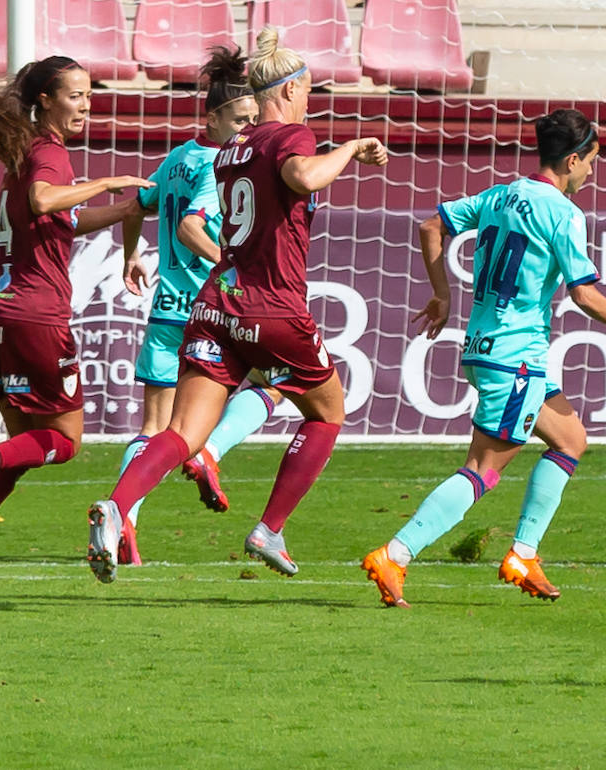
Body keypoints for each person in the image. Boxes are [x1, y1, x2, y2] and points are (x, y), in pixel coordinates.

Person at [84, 26, 389, 583]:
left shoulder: (230, 150)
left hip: (216, 302)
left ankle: (117, 506)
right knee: (327, 412)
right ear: (291, 90)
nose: (310, 99)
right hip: (272, 304)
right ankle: (269, 527)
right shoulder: (290, 137)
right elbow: (302, 174)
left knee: (182, 432)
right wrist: (347, 146)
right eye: (309, 89)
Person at [361, 109, 606, 608]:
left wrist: (443, 295)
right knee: (482, 469)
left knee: (570, 440)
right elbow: (584, 295)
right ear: (571, 159)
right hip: (513, 358)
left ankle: (523, 554)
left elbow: (431, 227)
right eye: (591, 161)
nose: (592, 171)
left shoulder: (501, 193)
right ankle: (395, 553)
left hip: (492, 350)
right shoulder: (563, 213)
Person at [0, 56, 153, 562]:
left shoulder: (24, 150)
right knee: (64, 440)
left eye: (87, 94)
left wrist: (120, 212)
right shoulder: (49, 153)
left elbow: (55, 219)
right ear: (46, 101)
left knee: (26, 443)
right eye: (75, 95)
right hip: (34, 314)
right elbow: (42, 201)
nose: (85, 104)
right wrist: (105, 183)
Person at [115, 46, 284, 565]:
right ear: (211, 117)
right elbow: (191, 226)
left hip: (166, 307)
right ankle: (212, 452)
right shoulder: (218, 163)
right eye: (239, 120)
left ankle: (123, 519)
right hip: (209, 312)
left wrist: (131, 255)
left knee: (153, 427)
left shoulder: (177, 157)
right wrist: (231, 262)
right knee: (278, 382)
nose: (246, 130)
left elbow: (136, 203)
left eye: (254, 120)